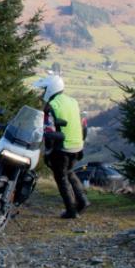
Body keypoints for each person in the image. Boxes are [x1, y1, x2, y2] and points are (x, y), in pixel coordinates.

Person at [33, 71, 89, 218]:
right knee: (69, 172)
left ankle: (71, 210)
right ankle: (82, 201)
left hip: (62, 147)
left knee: (61, 177)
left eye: (45, 89)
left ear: (51, 89)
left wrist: (48, 151)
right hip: (77, 146)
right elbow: (82, 124)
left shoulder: (51, 106)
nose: (43, 92)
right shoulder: (73, 101)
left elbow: (49, 130)